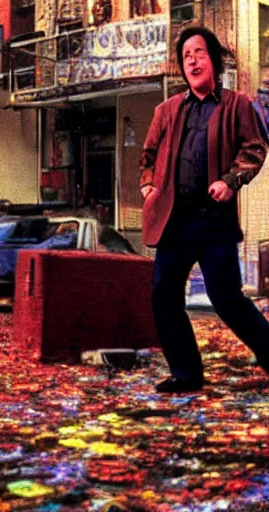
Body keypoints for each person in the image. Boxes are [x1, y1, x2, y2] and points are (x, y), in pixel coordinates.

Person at [139, 26, 269, 393]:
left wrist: (231, 180)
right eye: (186, 57)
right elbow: (147, 156)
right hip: (174, 219)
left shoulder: (237, 105)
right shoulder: (166, 110)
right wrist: (148, 185)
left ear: (213, 59)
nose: (192, 61)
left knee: (226, 299)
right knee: (163, 295)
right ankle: (186, 374)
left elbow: (255, 148)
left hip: (214, 220)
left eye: (199, 53)